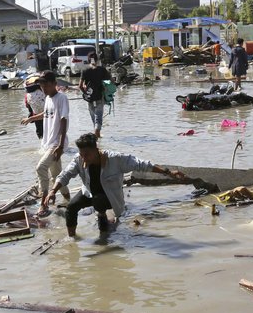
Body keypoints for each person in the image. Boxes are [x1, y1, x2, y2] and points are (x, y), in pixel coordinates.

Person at [43, 133, 185, 237]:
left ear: (96, 149)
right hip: (89, 192)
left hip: (110, 198)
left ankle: (103, 222)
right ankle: (72, 239)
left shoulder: (115, 159)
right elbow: (65, 174)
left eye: (87, 154)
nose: (84, 158)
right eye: (81, 154)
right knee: (72, 207)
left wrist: (168, 172)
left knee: (99, 204)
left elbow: (142, 164)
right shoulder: (79, 159)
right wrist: (53, 191)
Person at [21, 70, 72, 210]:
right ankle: (69, 201)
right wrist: (32, 118)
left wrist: (61, 145)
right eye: (42, 86)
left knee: (40, 168)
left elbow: (63, 120)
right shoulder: (48, 98)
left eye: (46, 85)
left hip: (56, 143)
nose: (44, 88)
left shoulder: (62, 98)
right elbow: (47, 113)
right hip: (48, 142)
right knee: (57, 176)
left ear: (54, 84)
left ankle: (44, 202)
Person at [79, 58, 111, 138]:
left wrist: (85, 93)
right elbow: (110, 81)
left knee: (93, 115)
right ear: (97, 60)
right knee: (99, 115)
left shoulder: (85, 70)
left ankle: (96, 133)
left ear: (89, 60)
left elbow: (80, 86)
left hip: (89, 96)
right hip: (99, 95)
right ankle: (97, 130)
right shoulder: (102, 70)